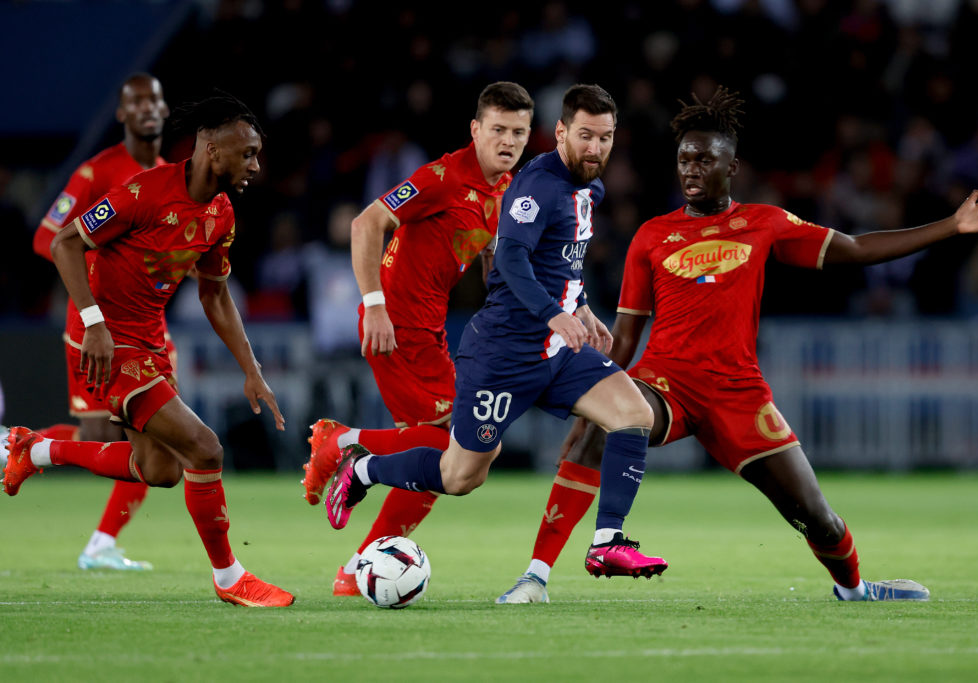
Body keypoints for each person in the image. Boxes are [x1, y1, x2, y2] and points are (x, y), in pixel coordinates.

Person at [494, 86, 978, 604]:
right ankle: (535, 577)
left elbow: (854, 249)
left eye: (704, 160)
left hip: (738, 394)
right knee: (604, 430)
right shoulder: (653, 236)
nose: (691, 170)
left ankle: (854, 589)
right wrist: (592, 410)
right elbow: (626, 338)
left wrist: (951, 226)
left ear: (731, 167)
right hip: (665, 386)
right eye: (683, 160)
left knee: (818, 517)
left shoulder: (765, 223)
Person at [317, 84, 669, 582]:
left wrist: (582, 305)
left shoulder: (539, 187)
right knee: (455, 469)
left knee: (634, 413)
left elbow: (550, 257)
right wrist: (374, 303)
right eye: (586, 136)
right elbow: (372, 224)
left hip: (536, 342)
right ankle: (352, 459)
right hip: (435, 333)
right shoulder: (474, 180)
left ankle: (607, 542)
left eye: (606, 138)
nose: (596, 148)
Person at [2, 92, 294, 607]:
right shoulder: (141, 193)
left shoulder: (221, 214)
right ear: (211, 148)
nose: (255, 164)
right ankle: (231, 578)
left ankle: (35, 449)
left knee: (160, 470)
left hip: (150, 341)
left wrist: (252, 370)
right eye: (247, 153)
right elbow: (64, 242)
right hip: (109, 342)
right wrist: (93, 323)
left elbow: (215, 294)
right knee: (205, 448)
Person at [300, 81, 535, 595]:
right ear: (475, 130)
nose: (508, 140)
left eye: (518, 131)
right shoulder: (441, 177)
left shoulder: (504, 187)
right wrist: (375, 304)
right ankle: (340, 445)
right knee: (454, 448)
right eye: (498, 129)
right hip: (397, 324)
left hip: (428, 328)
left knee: (446, 464)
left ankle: (356, 565)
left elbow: (485, 242)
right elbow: (367, 223)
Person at [31, 73, 169, 572]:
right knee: (102, 441)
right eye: (137, 102)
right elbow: (47, 238)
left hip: (148, 325)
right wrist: (103, 277)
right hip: (93, 322)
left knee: (153, 439)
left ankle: (102, 542)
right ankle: (19, 444)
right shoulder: (96, 173)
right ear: (122, 114)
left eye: (154, 99)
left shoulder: (168, 178)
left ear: (165, 108)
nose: (147, 108)